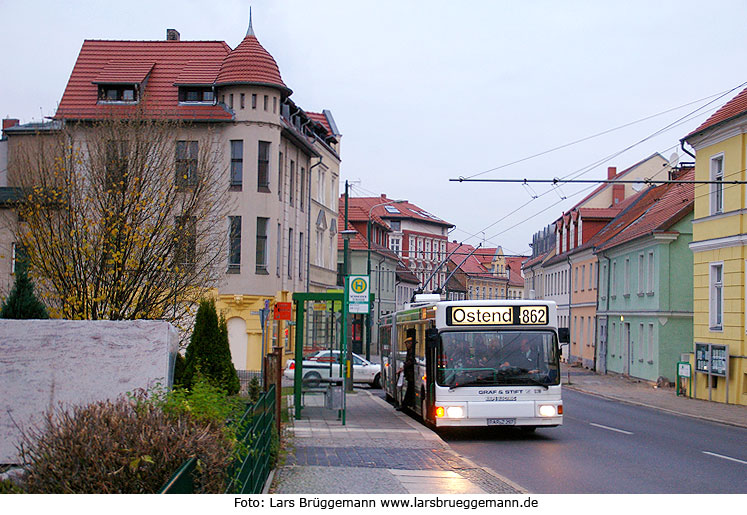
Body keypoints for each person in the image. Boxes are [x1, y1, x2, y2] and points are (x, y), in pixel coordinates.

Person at [397, 329, 416, 410]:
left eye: (407, 344)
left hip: (411, 374)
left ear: (410, 343)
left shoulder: (412, 351)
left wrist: (403, 367)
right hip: (409, 374)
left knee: (409, 390)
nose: (406, 345)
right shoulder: (410, 350)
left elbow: (411, 361)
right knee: (409, 390)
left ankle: (405, 405)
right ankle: (407, 404)